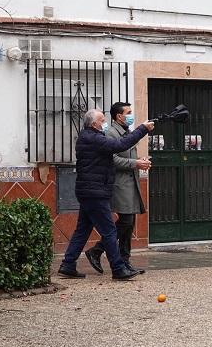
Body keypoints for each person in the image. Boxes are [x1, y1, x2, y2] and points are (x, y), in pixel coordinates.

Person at [58, 109, 154, 280]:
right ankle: (118, 269)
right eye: (102, 120)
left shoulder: (86, 137)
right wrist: (143, 129)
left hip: (88, 191)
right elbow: (119, 145)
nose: (105, 122)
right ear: (94, 124)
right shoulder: (94, 139)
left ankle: (68, 264)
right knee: (109, 231)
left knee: (82, 230)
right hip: (95, 192)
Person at [85, 102, 150, 275]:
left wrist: (140, 161)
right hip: (119, 184)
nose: (131, 115)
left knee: (129, 223)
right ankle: (97, 251)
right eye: (128, 113)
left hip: (130, 183)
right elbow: (111, 159)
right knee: (126, 222)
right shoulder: (111, 133)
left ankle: (124, 260)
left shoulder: (127, 132)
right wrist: (135, 163)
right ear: (119, 116)